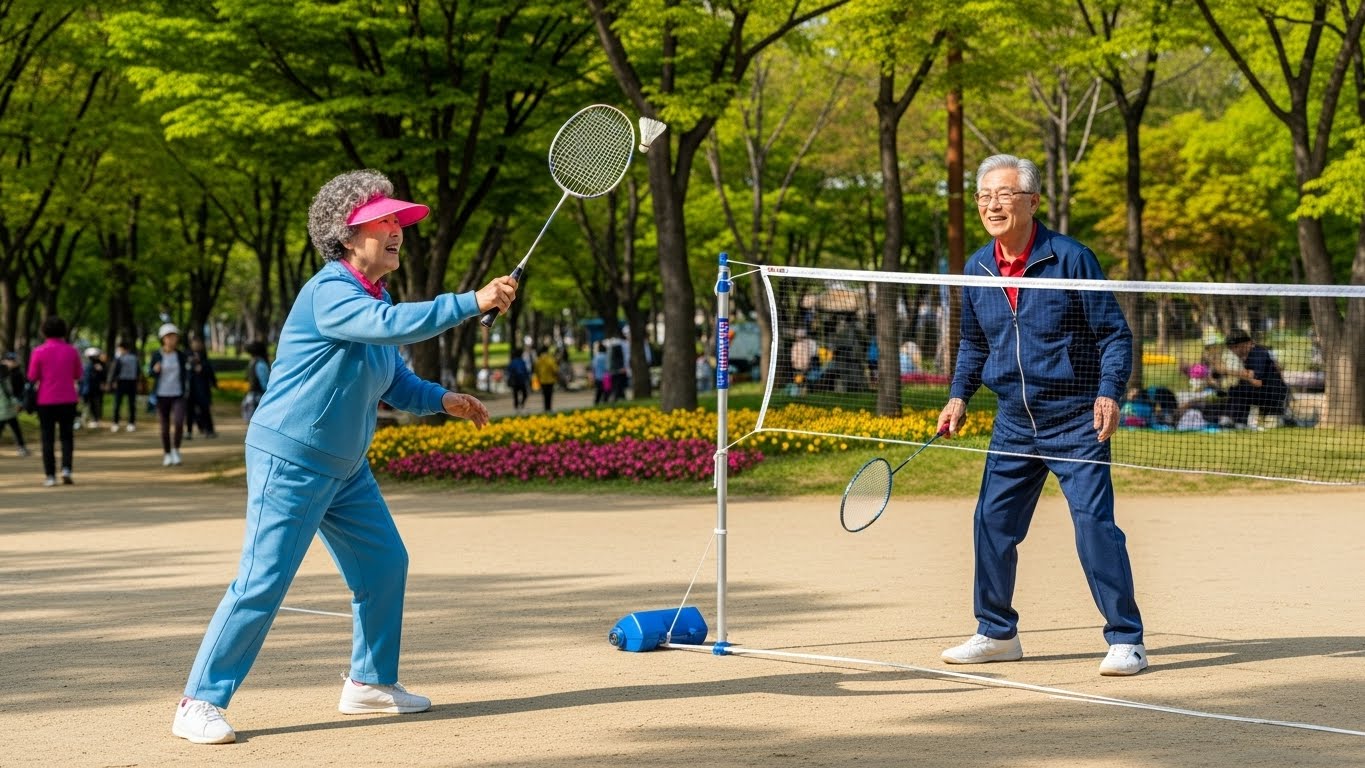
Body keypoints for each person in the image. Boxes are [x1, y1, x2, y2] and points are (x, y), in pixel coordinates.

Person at [171, 169, 518, 746]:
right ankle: (198, 701)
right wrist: (470, 301)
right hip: (291, 458)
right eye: (381, 221)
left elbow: (394, 379)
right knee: (262, 581)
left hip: (345, 466)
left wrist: (443, 399)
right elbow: (385, 329)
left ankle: (370, 683)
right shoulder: (331, 291)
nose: (396, 230)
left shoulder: (377, 297)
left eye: (397, 221)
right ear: (346, 234)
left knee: (385, 565)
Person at [935, 154, 1147, 677]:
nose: (991, 205)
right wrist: (959, 395)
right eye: (984, 197)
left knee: (1095, 526)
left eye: (1003, 195)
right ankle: (996, 632)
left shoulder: (1071, 258)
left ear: (1031, 201)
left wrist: (1108, 391)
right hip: (1013, 421)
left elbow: (1114, 335)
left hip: (1076, 419)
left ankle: (1126, 639)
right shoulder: (976, 267)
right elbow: (973, 342)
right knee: (991, 523)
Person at [27, 316, 82, 487]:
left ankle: (50, 475)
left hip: (46, 399)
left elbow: (32, 376)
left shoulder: (39, 351)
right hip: (68, 398)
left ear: (44, 331)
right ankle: (66, 469)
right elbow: (78, 374)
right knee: (67, 437)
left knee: (47, 437)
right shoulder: (71, 351)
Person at [1217, 329, 1288, 427]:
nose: (1233, 350)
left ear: (1247, 343)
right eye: (1231, 348)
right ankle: (1234, 420)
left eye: (1235, 347)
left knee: (1239, 388)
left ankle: (1235, 420)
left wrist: (1226, 370)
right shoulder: (1245, 356)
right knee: (1235, 388)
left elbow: (1256, 379)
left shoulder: (1258, 353)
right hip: (1260, 395)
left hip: (1272, 396)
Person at [149, 323, 191, 466]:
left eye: (174, 336)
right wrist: (155, 370)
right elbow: (150, 373)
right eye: (168, 337)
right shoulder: (156, 355)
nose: (172, 339)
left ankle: (176, 451)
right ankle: (167, 453)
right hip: (161, 394)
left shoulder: (181, 355)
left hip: (178, 394)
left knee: (179, 422)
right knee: (164, 426)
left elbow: (187, 371)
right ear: (163, 339)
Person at [185, 337, 219, 438]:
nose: (196, 345)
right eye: (194, 343)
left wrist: (203, 369)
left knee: (205, 409)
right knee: (190, 411)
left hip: (202, 388)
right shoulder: (186, 355)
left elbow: (210, 371)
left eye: (198, 343)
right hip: (190, 388)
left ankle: (209, 430)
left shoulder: (204, 356)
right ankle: (189, 431)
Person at [107, 341, 141, 432]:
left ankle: (116, 423)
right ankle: (130, 423)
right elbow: (138, 371)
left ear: (123, 349)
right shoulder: (134, 358)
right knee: (130, 404)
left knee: (119, 403)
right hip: (129, 382)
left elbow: (113, 371)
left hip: (122, 382)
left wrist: (111, 382)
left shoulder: (119, 358)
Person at [0, 351, 30, 456]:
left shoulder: (17, 373)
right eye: (10, 360)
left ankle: (22, 447)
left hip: (8, 407)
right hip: (5, 407)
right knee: (14, 427)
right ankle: (22, 447)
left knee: (15, 427)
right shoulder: (3, 374)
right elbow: (7, 392)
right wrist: (17, 402)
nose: (12, 362)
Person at [241, 340, 270, 422]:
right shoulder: (260, 363)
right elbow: (265, 383)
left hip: (254, 396)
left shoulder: (255, 362)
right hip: (257, 397)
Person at [80, 347, 108, 429]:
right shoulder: (86, 365)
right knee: (86, 404)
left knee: (94, 404)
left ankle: (95, 420)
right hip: (87, 388)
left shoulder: (99, 366)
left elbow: (103, 376)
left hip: (94, 388)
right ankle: (84, 419)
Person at [532, 344, 560, 412]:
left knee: (544, 395)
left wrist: (539, 376)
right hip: (550, 380)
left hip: (542, 380)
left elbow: (536, 370)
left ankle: (545, 408)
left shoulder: (539, 360)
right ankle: (549, 408)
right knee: (549, 395)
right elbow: (555, 369)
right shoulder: (550, 359)